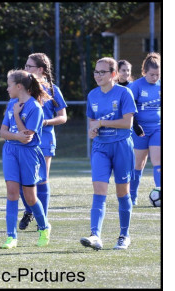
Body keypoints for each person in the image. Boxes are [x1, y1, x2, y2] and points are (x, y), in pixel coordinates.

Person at [80, 57, 137, 250]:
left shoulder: (124, 93)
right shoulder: (92, 95)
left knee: (122, 193)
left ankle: (124, 235)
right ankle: (95, 235)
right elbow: (91, 125)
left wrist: (103, 123)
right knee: (99, 192)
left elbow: (127, 123)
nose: (98, 75)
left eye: (102, 72)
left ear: (113, 74)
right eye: (96, 72)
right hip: (100, 148)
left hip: (121, 146)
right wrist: (92, 131)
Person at [0, 69, 52, 249]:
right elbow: (3, 132)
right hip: (10, 151)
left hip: (28, 153)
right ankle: (11, 237)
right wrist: (14, 135)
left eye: (9, 85)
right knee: (12, 192)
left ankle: (44, 227)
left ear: (19, 86)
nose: (7, 89)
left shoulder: (35, 108)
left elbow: (27, 136)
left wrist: (16, 116)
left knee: (30, 197)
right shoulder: (11, 103)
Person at [18, 53, 67, 231]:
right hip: (26, 139)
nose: (25, 69)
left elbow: (62, 117)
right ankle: (30, 209)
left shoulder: (53, 90)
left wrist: (45, 122)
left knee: (41, 180)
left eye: (29, 66)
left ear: (40, 70)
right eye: (25, 65)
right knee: (23, 181)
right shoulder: (23, 89)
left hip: (45, 139)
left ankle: (42, 223)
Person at [128, 52, 161, 206]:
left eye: (158, 75)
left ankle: (160, 191)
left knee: (158, 161)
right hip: (139, 131)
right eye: (152, 75)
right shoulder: (136, 86)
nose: (155, 78)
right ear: (144, 72)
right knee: (138, 164)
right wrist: (135, 126)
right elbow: (129, 109)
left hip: (158, 129)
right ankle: (132, 196)